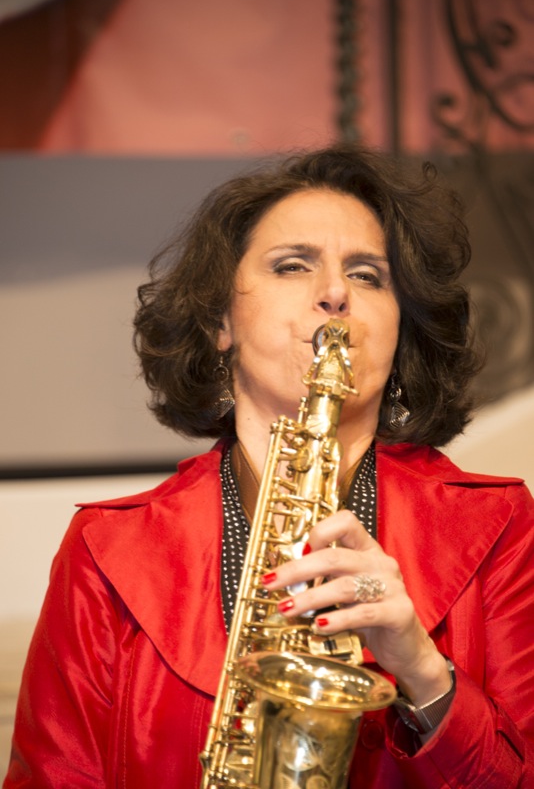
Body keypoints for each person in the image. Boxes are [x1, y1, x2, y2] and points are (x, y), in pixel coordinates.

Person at [4, 145, 534, 789]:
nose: (335, 293)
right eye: (292, 265)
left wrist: (424, 671)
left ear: (402, 329)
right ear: (220, 321)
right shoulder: (107, 546)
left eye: (369, 276)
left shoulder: (499, 521)